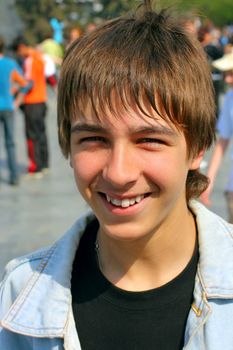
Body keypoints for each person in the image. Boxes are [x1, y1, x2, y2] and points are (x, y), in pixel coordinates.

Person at [0, 1, 232, 349]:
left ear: (197, 148)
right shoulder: (18, 294)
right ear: (68, 144)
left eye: (149, 140)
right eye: (94, 139)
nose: (119, 172)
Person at [201, 50, 233, 223]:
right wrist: (210, 179)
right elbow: (222, 143)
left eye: (231, 74)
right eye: (226, 74)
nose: (227, 79)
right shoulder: (230, 97)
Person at [11, 36, 49, 177]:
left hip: (32, 103)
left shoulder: (30, 60)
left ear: (21, 47)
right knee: (41, 134)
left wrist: (17, 99)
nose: (18, 55)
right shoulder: (39, 57)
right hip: (42, 100)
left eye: (18, 51)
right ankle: (45, 164)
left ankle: (36, 166)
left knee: (31, 136)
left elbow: (28, 83)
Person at [0, 36, 32, 185]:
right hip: (7, 106)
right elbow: (25, 83)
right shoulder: (10, 64)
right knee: (10, 142)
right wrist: (15, 95)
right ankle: (14, 177)